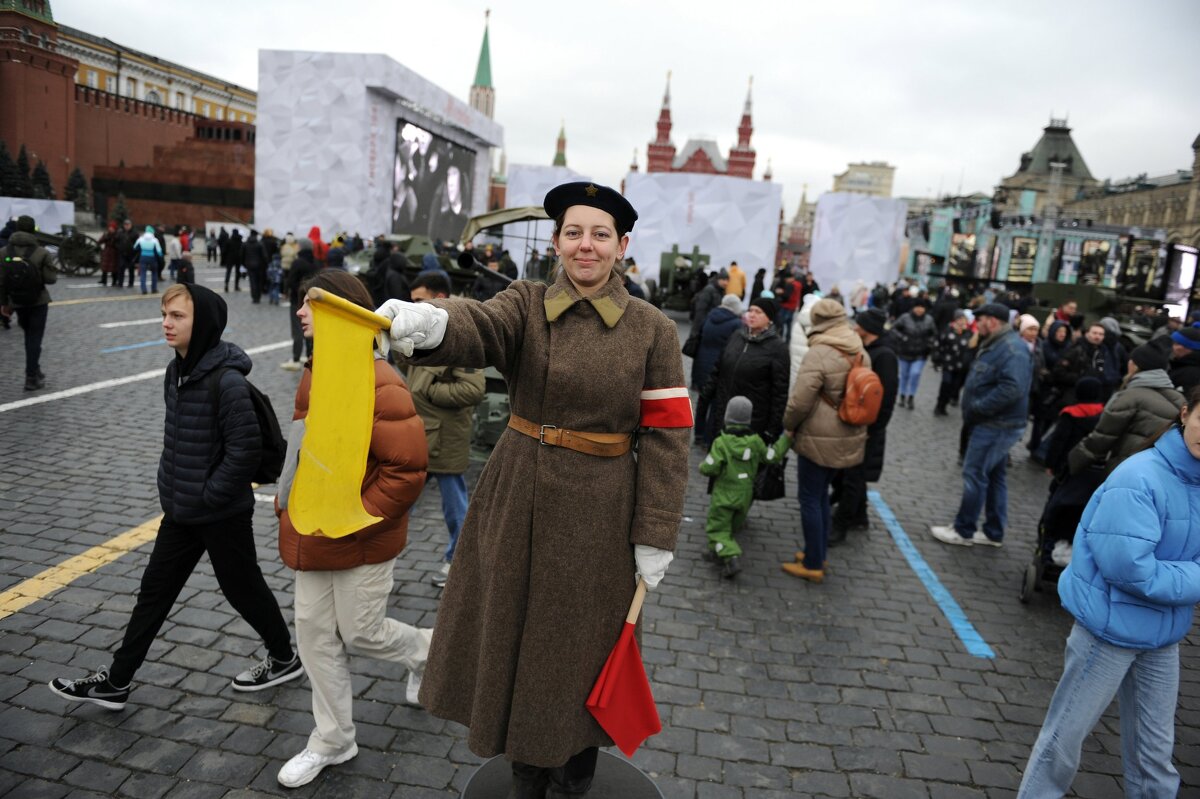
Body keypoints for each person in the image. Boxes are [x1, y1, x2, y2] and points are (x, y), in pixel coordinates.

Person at [376, 181, 690, 795]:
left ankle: (574, 778)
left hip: (601, 516)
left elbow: (669, 438)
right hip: (517, 498)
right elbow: (478, 327)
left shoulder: (652, 330)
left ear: (622, 246)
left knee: (580, 657)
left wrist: (655, 533)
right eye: (574, 232)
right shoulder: (525, 303)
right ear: (556, 242)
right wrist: (429, 321)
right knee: (514, 642)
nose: (586, 245)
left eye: (600, 234)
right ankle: (524, 777)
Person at [48, 283, 303, 710]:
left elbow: (245, 452)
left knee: (242, 589)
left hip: (221, 513)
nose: (166, 323)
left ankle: (283, 657)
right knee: (154, 592)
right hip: (181, 509)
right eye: (164, 314)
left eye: (177, 316)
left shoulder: (229, 383)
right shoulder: (177, 370)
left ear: (201, 322)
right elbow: (179, 439)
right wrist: (171, 483)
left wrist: (209, 493)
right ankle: (117, 681)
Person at [274, 270, 431, 788]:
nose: (299, 312)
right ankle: (333, 740)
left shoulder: (380, 380)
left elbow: (405, 470)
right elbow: (301, 446)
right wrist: (287, 500)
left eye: (309, 304)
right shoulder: (317, 371)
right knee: (316, 637)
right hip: (312, 531)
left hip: (362, 538)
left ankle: (428, 652)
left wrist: (354, 517)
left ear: (341, 312)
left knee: (361, 632)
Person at [1017, 385, 1200, 798]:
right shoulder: (1139, 475)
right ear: (1186, 413)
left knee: (1155, 754)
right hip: (1108, 631)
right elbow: (1132, 569)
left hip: (1162, 636)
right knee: (1062, 744)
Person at [780, 298, 870, 582]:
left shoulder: (819, 351)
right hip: (847, 432)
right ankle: (816, 552)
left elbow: (800, 400)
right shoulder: (857, 346)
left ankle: (813, 563)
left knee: (810, 498)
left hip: (819, 436)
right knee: (820, 497)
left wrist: (788, 425)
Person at [406, 271, 486, 588]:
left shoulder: (463, 335)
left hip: (446, 435)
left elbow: (472, 389)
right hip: (421, 431)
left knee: (455, 507)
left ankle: (458, 563)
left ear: (439, 299)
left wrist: (428, 392)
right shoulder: (423, 329)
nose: (412, 306)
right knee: (401, 499)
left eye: (418, 300)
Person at [930, 303, 1032, 547]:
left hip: (996, 424)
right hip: (995, 422)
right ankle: (993, 532)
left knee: (974, 474)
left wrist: (979, 407)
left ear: (994, 321)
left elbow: (1012, 388)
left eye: (982, 319)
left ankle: (963, 530)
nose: (978, 324)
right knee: (995, 477)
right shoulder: (997, 343)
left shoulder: (1010, 348)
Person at [700, 396, 790, 578]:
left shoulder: (722, 442)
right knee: (730, 527)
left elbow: (709, 467)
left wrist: (702, 467)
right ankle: (716, 552)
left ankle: (730, 556)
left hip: (724, 495)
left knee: (717, 528)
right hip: (745, 496)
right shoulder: (755, 442)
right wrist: (786, 440)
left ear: (727, 417)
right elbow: (771, 456)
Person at [830, 308, 898, 543]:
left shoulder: (885, 356)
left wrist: (873, 428)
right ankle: (860, 516)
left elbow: (886, 397)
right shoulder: (867, 349)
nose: (854, 327)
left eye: (858, 324)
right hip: (857, 422)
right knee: (851, 473)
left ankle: (840, 525)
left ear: (868, 330)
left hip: (868, 427)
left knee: (853, 477)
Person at [1068, 343, 1185, 477]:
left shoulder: (1130, 396)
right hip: (1157, 474)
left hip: (1122, 470)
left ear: (1135, 365)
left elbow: (1102, 438)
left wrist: (1073, 463)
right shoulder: (1180, 401)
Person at [700, 297, 790, 449]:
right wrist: (705, 398)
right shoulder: (737, 336)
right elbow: (718, 369)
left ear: (769, 319)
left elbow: (779, 393)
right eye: (750, 310)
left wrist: (772, 430)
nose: (752, 314)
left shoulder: (777, 348)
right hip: (723, 416)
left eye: (758, 312)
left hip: (752, 423)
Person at [0, 215, 57, 390]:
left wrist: (4, 304)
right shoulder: (41, 252)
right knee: (34, 339)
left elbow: (1, 282)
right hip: (38, 301)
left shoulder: (3, 252)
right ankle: (31, 377)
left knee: (28, 337)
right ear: (33, 230)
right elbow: (51, 279)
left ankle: (36, 369)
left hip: (16, 302)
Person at [691, 294, 743, 444]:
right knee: (716, 404)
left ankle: (698, 434)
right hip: (718, 368)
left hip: (701, 365)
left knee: (702, 400)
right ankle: (708, 438)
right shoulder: (736, 324)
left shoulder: (710, 316)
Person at [280, 239, 319, 371]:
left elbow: (290, 281)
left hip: (297, 301)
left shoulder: (297, 262)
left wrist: (286, 291)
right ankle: (309, 355)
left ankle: (296, 359)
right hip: (311, 301)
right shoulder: (315, 263)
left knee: (297, 329)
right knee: (310, 328)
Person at [891, 300, 937, 409]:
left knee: (915, 374)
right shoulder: (905, 318)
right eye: (917, 307)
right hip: (904, 351)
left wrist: (929, 343)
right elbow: (894, 328)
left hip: (920, 353)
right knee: (904, 375)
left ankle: (911, 395)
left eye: (922, 307)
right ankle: (902, 395)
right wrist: (902, 337)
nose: (919, 310)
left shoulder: (929, 320)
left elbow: (934, 334)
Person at [932, 311, 972, 416]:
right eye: (960, 319)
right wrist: (937, 359)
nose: (962, 321)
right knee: (946, 383)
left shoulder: (968, 333)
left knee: (954, 386)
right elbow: (938, 344)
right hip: (947, 363)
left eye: (964, 319)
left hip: (961, 366)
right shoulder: (947, 330)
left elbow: (972, 348)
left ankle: (944, 405)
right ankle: (939, 405)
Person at [1168, 327, 1200, 393]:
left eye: (1176, 343)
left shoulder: (1192, 375)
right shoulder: (1180, 364)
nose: (1172, 346)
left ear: (1190, 348)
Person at [243, 230, 267, 303]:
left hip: (249, 265)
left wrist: (244, 264)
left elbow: (241, 255)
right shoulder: (260, 244)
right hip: (259, 266)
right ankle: (258, 297)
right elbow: (264, 256)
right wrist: (265, 264)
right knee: (258, 281)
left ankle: (254, 297)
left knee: (252, 281)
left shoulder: (245, 244)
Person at [115, 218, 138, 288]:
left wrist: (134, 250)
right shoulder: (120, 232)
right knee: (121, 268)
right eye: (125, 225)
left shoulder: (135, 233)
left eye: (128, 225)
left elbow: (137, 243)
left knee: (131, 269)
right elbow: (116, 241)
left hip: (131, 254)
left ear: (131, 225)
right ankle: (120, 283)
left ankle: (131, 283)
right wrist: (119, 247)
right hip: (122, 253)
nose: (127, 226)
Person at [98, 221, 120, 286]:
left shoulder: (117, 234)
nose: (110, 229)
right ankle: (103, 280)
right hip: (107, 251)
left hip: (114, 253)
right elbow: (100, 241)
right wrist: (105, 238)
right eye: (110, 227)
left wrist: (114, 242)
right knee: (104, 268)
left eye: (112, 228)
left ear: (114, 228)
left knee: (114, 269)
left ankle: (114, 281)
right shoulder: (106, 234)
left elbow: (119, 243)